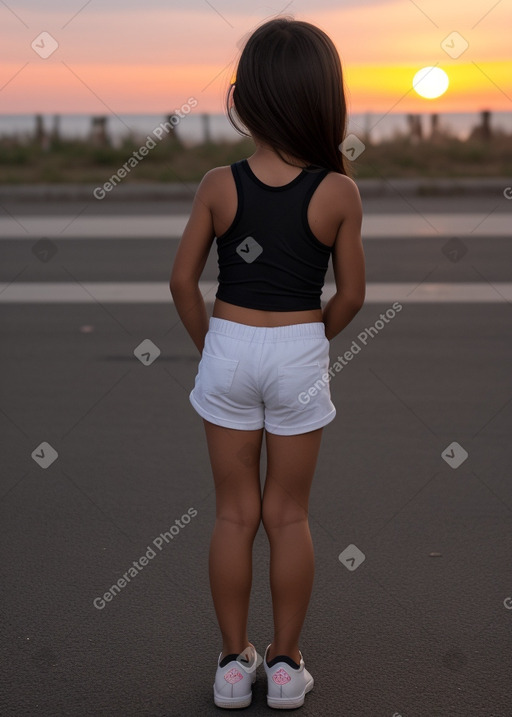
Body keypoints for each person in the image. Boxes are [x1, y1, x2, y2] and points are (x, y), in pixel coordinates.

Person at [169, 15, 365, 710]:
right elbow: (353, 295)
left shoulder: (219, 183)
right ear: (324, 100)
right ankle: (284, 666)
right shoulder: (338, 191)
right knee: (288, 514)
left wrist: (214, 348)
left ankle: (230, 665)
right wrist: (311, 339)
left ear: (245, 100)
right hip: (298, 351)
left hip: (228, 345)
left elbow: (181, 281)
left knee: (233, 514)